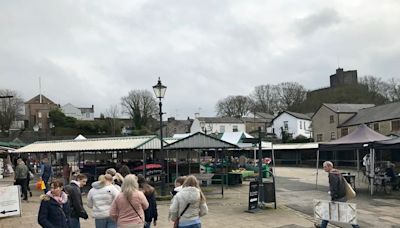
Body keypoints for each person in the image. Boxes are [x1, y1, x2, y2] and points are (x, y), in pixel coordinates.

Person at [315, 161, 359, 228]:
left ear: (330, 166)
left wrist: (333, 197)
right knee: (330, 212)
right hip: (342, 196)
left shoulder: (331, 174)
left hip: (338, 197)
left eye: (325, 167)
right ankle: (322, 226)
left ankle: (356, 226)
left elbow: (334, 186)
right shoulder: (337, 172)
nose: (324, 168)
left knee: (330, 212)